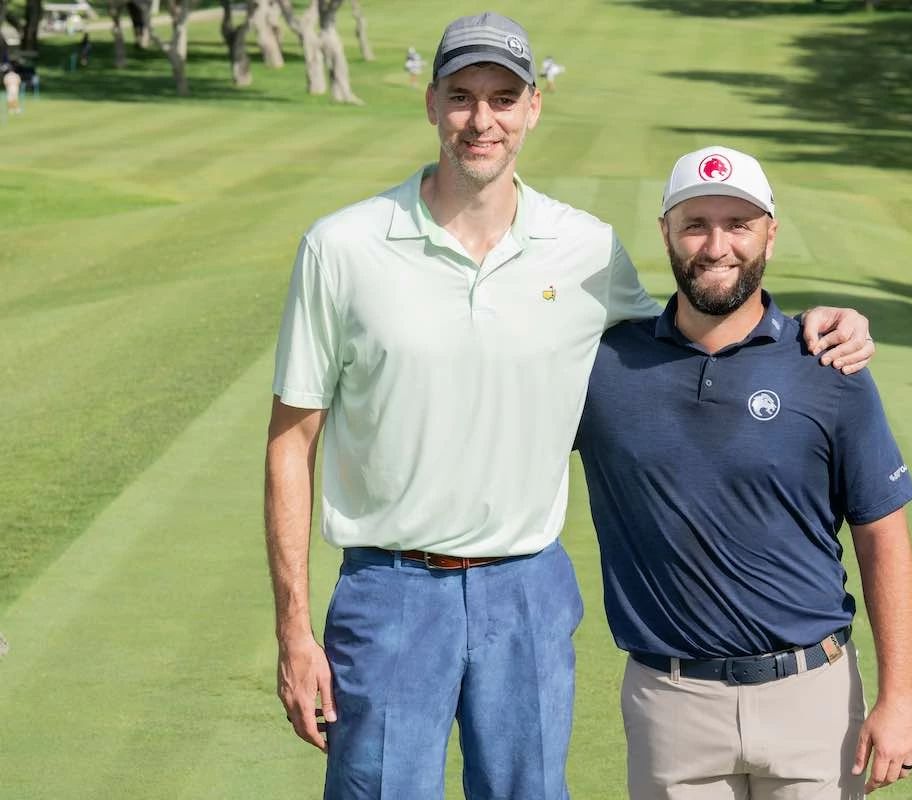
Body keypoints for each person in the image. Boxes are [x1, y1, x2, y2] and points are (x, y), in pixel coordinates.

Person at [265, 13, 877, 800]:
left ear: (532, 109)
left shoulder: (584, 249)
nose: (481, 120)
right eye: (461, 97)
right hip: (389, 591)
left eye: (501, 97)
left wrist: (806, 328)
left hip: (527, 589)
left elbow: (685, 330)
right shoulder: (341, 246)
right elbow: (291, 442)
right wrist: (293, 629)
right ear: (431, 106)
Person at [576, 146, 912, 799]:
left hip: (814, 702)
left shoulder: (829, 362)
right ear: (666, 233)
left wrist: (899, 697)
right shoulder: (604, 368)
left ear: (770, 231)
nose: (716, 244)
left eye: (738, 223)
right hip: (669, 705)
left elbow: (884, 536)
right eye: (696, 223)